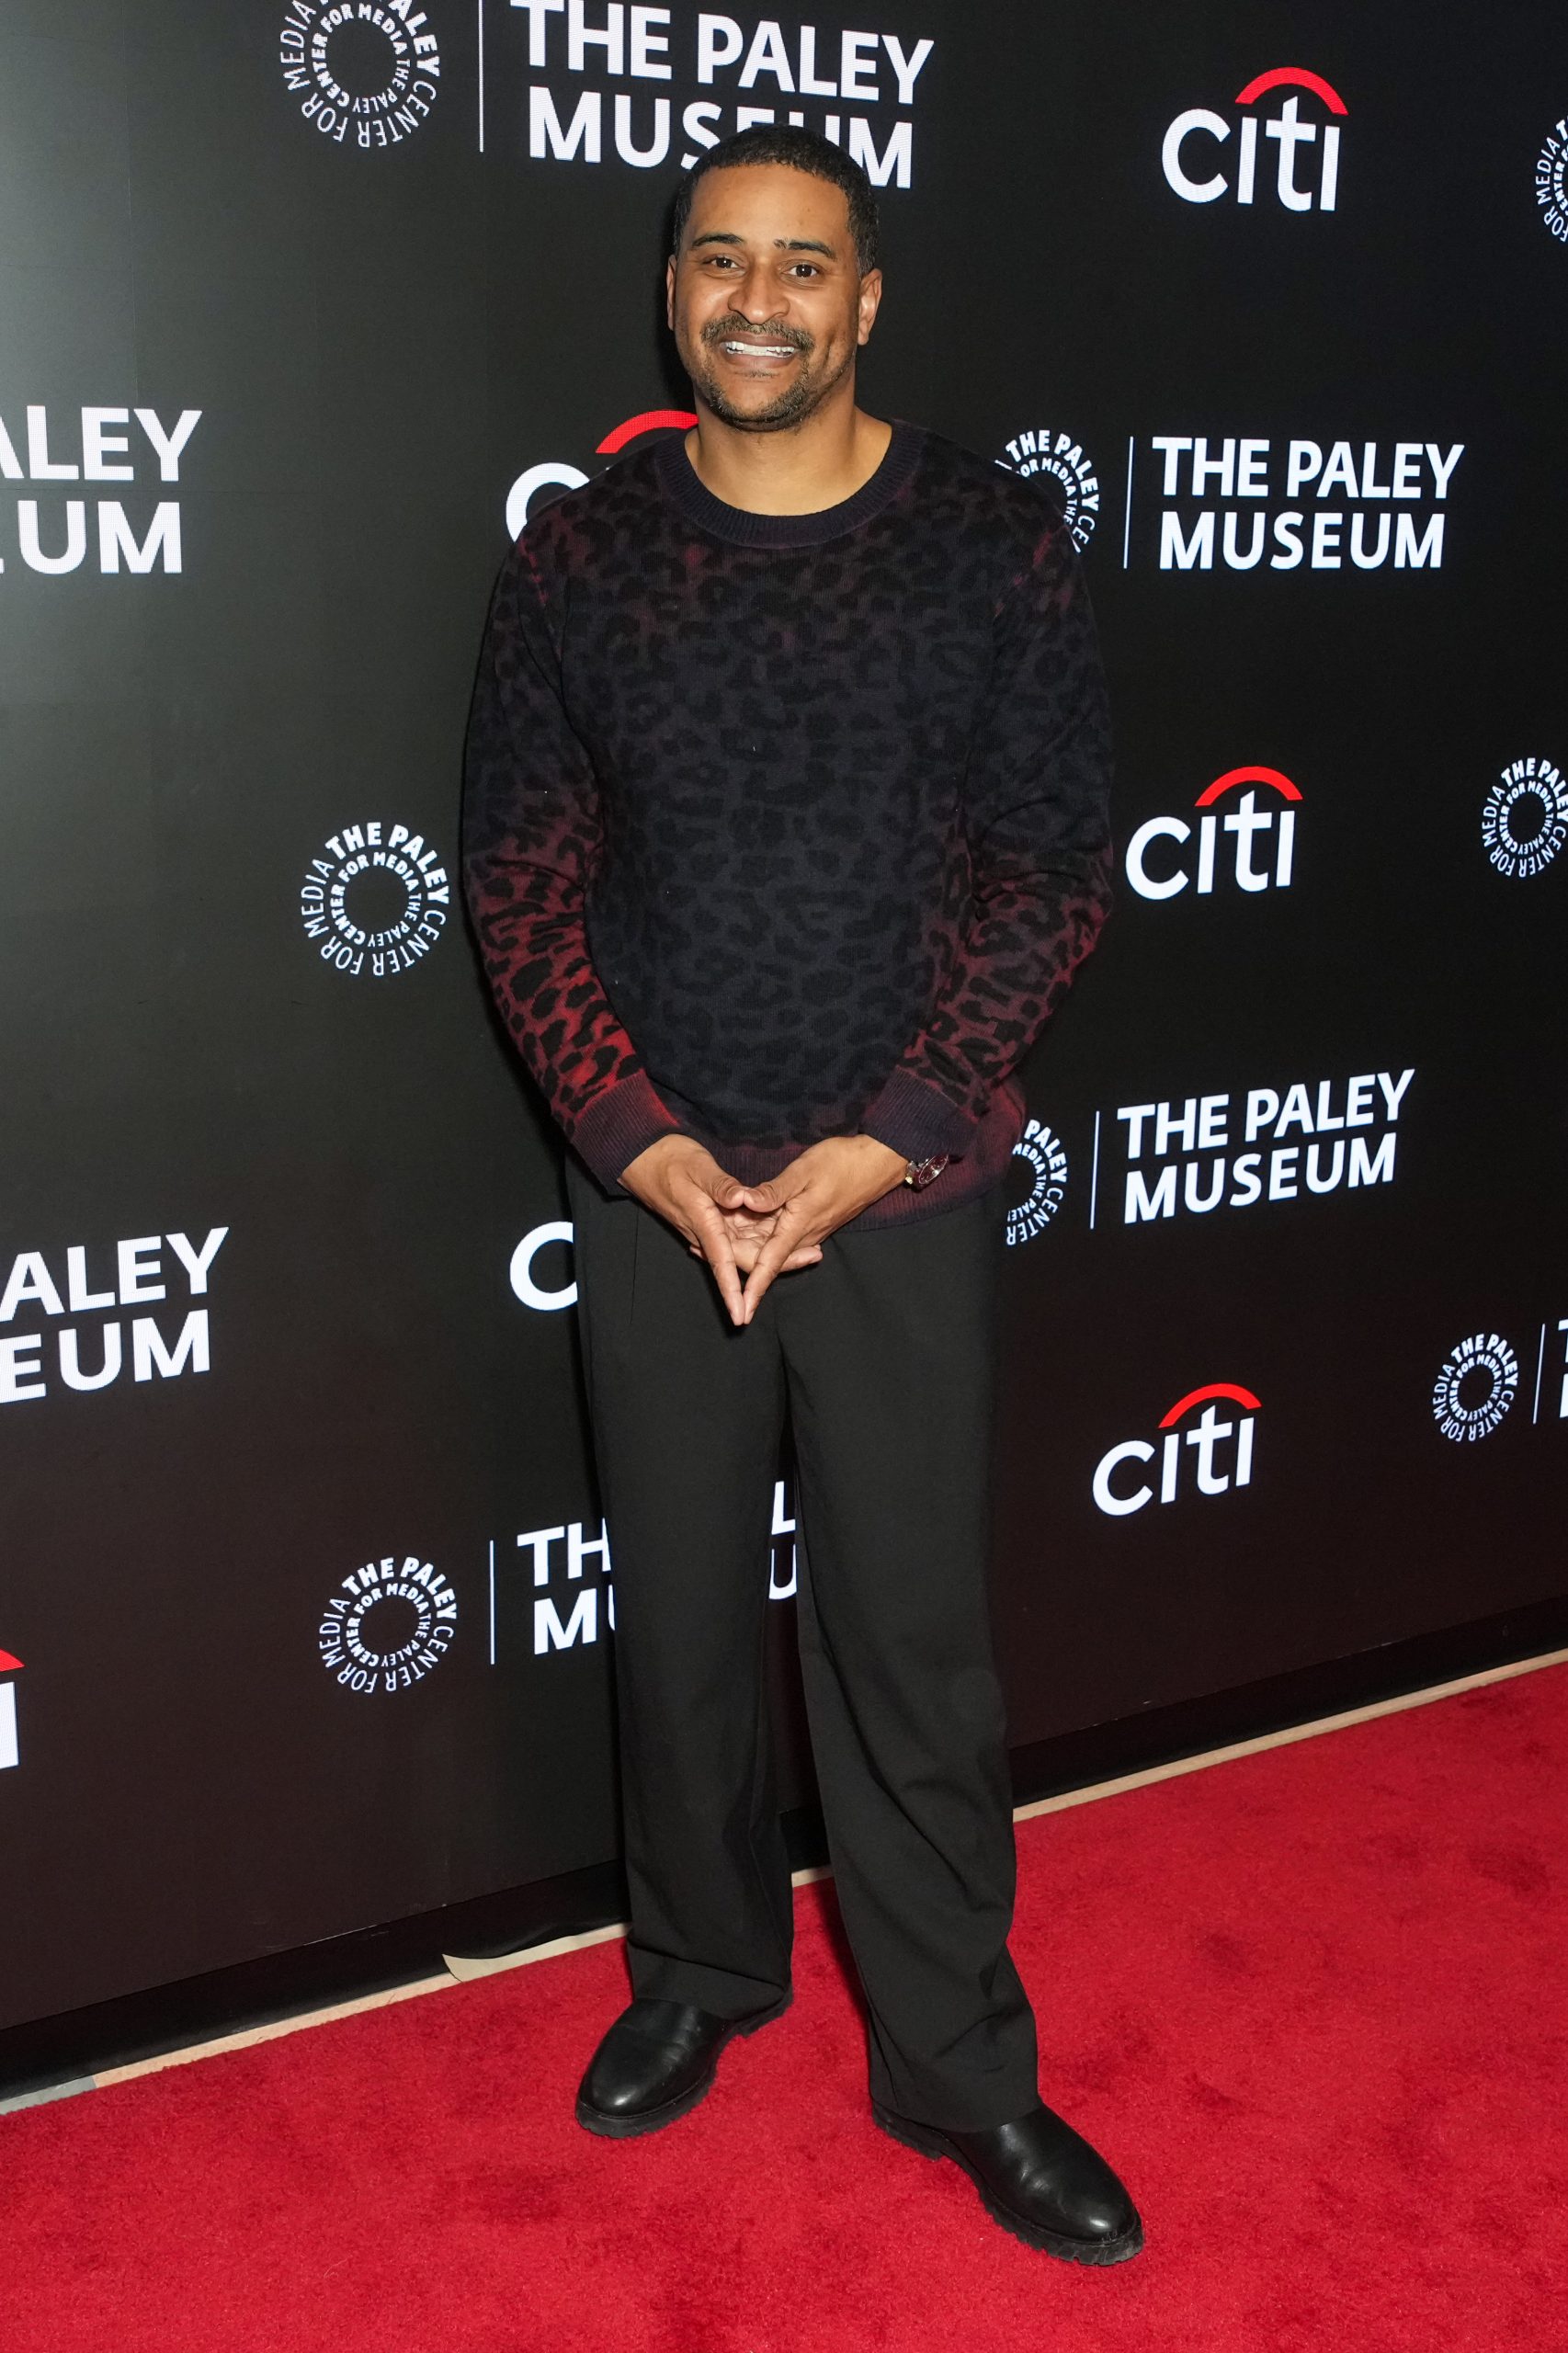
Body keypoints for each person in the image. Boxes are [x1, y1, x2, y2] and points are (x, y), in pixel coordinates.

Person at [461, 127, 1141, 2266]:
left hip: (899, 1192)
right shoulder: (576, 558)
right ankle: (699, 1968)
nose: (757, 299)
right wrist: (639, 1138)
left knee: (910, 1649)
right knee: (675, 1619)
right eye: (719, 260)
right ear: (673, 288)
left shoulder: (989, 541)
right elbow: (521, 871)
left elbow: (1051, 869)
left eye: (802, 264)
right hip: (656, 1187)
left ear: (865, 300)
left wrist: (893, 1131)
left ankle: (961, 2066)